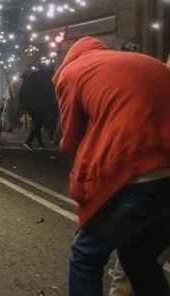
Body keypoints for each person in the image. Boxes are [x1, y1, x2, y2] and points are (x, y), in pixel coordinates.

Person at [54, 37, 170, 296]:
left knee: (85, 257)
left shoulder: (72, 73)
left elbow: (71, 139)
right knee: (139, 257)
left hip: (134, 171)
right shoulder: (136, 61)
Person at [18, 64, 57, 151]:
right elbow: (50, 93)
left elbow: (24, 91)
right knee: (38, 124)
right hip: (41, 105)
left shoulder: (33, 76)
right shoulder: (47, 79)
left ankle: (38, 143)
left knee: (37, 124)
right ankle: (30, 142)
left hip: (32, 105)